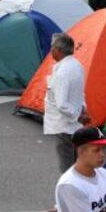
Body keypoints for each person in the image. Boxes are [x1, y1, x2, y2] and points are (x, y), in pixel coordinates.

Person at [45, 33, 89, 173]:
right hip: (74, 125)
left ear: (59, 50)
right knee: (76, 162)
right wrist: (83, 110)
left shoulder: (63, 72)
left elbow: (62, 104)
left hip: (65, 125)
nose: (51, 50)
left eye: (52, 47)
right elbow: (80, 92)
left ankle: (68, 192)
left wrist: (78, 115)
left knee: (66, 166)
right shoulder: (77, 65)